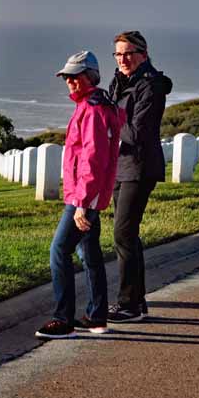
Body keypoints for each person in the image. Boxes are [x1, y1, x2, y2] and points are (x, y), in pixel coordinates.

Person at [35, 51, 125, 339]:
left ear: (91, 77)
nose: (70, 81)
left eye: (76, 76)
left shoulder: (94, 110)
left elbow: (93, 159)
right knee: (89, 253)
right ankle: (96, 316)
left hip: (83, 197)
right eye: (67, 77)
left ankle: (63, 320)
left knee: (59, 250)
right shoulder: (90, 105)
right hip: (84, 195)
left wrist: (82, 204)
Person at [107, 31, 173, 323]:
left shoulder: (151, 86)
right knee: (127, 235)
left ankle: (129, 305)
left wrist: (110, 120)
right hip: (120, 165)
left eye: (129, 53)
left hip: (140, 166)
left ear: (143, 54)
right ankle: (137, 300)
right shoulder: (119, 80)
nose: (123, 59)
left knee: (123, 233)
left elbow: (136, 132)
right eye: (118, 54)